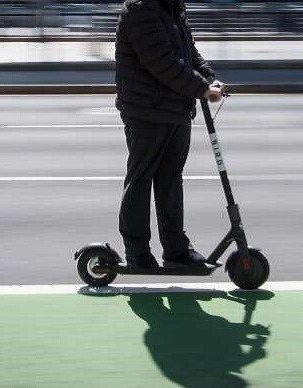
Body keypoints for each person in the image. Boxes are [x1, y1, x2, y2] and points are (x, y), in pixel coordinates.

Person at [114, 0, 224, 268]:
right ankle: (137, 252)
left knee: (171, 181)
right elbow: (162, 62)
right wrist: (201, 88)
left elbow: (189, 52)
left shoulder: (171, 7)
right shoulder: (140, 9)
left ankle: (176, 249)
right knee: (141, 180)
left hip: (176, 108)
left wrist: (210, 78)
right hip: (146, 111)